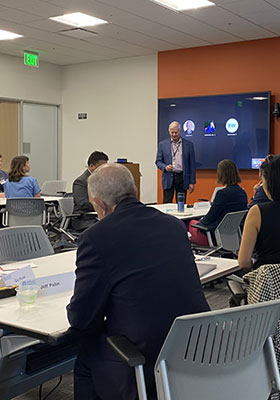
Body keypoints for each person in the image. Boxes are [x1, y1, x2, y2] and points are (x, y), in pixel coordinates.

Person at [67, 163, 209, 400]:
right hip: (194, 349)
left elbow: (81, 319)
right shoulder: (173, 226)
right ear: (135, 191)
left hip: (145, 362)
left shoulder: (96, 237)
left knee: (85, 358)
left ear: (99, 204)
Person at [188, 159, 247, 246]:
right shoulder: (242, 193)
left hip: (213, 235)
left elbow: (209, 219)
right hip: (232, 235)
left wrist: (199, 221)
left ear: (221, 174)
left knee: (188, 223)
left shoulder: (222, 194)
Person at [156, 121, 196, 203]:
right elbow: (158, 161)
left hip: (182, 178)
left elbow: (192, 165)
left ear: (180, 132)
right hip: (168, 177)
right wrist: (165, 167)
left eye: (176, 132)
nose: (174, 135)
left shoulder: (188, 145)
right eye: (172, 132)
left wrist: (192, 182)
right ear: (169, 131)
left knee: (181, 205)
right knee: (166, 205)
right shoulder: (162, 145)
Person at [71, 151, 108, 231]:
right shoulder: (81, 182)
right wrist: (102, 206)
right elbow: (82, 204)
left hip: (100, 215)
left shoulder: (102, 180)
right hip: (84, 219)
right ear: (91, 166)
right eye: (101, 168)